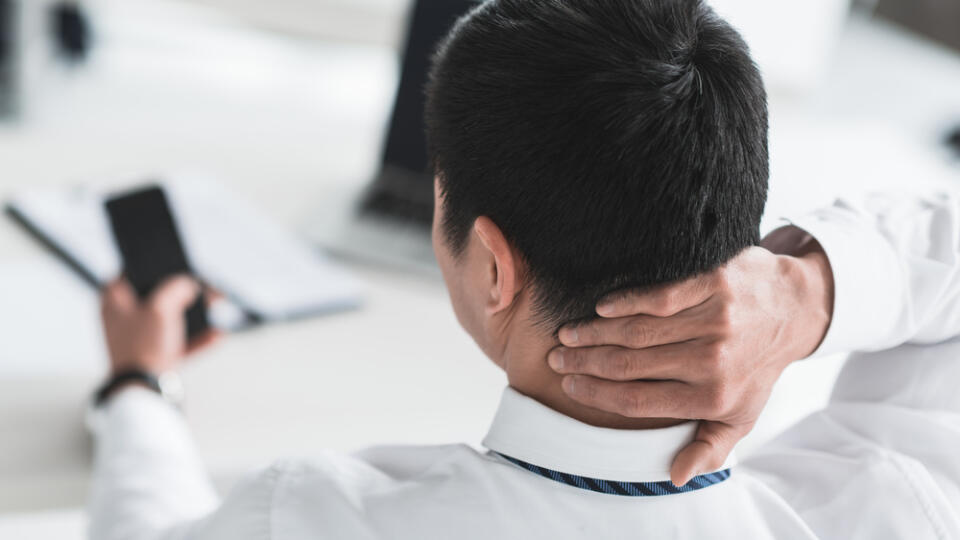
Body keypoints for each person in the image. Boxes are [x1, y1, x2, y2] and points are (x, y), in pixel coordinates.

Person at [87, 0, 960, 538]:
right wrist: (811, 288)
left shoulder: (308, 516)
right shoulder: (880, 508)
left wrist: (137, 385)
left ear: (495, 267)